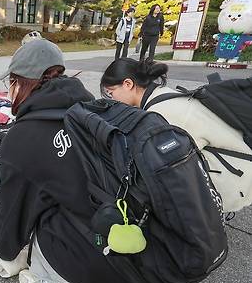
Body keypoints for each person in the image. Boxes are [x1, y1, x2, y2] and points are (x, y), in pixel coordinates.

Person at [0, 39, 151, 283]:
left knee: (39, 210)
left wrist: (0, 245)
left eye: (10, 82)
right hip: (144, 248)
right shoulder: (96, 106)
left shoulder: (22, 138)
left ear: (20, 82)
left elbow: (14, 209)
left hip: (97, 258)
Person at [100, 58, 252, 213]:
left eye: (111, 93)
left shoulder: (162, 113)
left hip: (236, 179)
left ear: (128, 84)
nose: (112, 100)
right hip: (236, 163)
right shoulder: (161, 94)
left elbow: (169, 168)